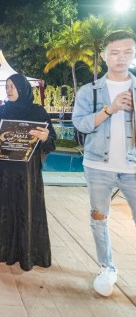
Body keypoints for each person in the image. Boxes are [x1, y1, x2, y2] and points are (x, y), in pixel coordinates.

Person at [72, 30, 136, 297]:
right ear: (104, 55)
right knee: (99, 218)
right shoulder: (90, 91)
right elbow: (80, 124)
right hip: (98, 166)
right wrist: (110, 109)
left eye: (127, 52)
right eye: (115, 52)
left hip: (133, 168)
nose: (122, 58)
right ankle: (107, 267)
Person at [0, 73, 56, 271]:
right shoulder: (0, 112)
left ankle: (28, 251)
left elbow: (51, 142)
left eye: (12, 86)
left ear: (22, 88)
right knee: (5, 207)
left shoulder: (38, 112)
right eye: (6, 86)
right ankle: (3, 248)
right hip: (5, 173)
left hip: (28, 174)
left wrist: (45, 138)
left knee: (27, 208)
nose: (8, 90)